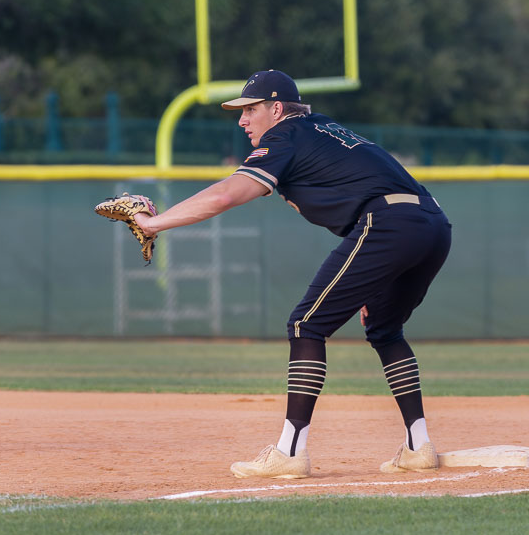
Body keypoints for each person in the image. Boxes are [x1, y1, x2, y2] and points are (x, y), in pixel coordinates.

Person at [132, 70, 451, 478]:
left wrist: (153, 224)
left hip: (389, 224)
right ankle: (418, 446)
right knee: (384, 330)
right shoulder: (322, 129)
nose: (242, 120)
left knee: (305, 326)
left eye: (250, 109)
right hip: (433, 224)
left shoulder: (283, 136)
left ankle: (289, 451)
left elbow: (227, 194)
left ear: (276, 108)